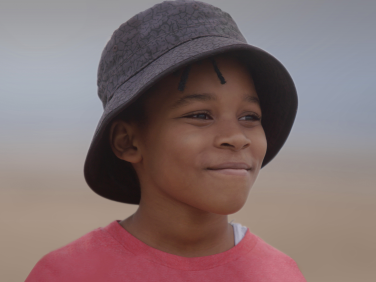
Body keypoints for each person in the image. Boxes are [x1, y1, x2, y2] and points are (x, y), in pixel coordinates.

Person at [26, 1, 305, 281]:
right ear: (128, 142)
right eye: (200, 115)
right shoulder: (67, 273)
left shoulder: (279, 275)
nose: (235, 137)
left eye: (249, 117)